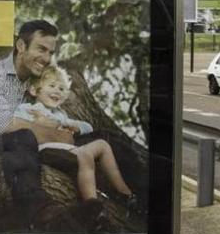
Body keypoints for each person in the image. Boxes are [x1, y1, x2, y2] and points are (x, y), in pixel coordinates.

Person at [0, 20, 73, 202]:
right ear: (21, 45)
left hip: (26, 150)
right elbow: (3, 125)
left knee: (100, 138)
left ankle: (127, 201)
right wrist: (57, 136)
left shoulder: (37, 83)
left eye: (50, 53)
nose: (46, 58)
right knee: (23, 136)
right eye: (41, 49)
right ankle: (39, 209)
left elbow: (56, 120)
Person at [15, 65, 134, 206]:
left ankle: (125, 194)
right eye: (52, 85)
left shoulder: (61, 115)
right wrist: (42, 124)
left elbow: (87, 126)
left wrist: (74, 128)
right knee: (85, 155)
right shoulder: (28, 109)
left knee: (102, 145)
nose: (57, 91)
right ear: (35, 90)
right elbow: (14, 124)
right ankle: (91, 202)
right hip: (45, 150)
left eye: (61, 88)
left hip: (66, 149)